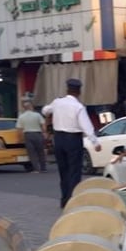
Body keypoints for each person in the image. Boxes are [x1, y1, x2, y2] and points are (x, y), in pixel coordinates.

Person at [43, 79, 100, 208]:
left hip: (59, 139)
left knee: (63, 171)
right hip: (73, 139)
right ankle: (72, 200)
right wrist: (95, 142)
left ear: (67, 89)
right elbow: (86, 126)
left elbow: (45, 110)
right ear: (79, 91)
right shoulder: (78, 106)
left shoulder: (57, 102)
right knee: (74, 171)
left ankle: (64, 199)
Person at [16, 99, 47, 173]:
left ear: (24, 108)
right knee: (41, 152)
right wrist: (44, 133)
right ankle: (43, 168)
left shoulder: (21, 117)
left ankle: (36, 169)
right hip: (38, 134)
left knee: (32, 153)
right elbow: (43, 125)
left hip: (28, 135)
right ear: (31, 107)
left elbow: (19, 129)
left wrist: (20, 138)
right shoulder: (37, 115)